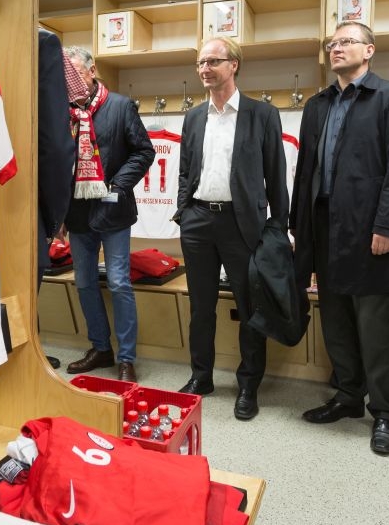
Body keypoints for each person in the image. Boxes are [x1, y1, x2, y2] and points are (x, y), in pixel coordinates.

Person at [291, 22, 389, 456]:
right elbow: (305, 171)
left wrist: (388, 226)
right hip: (322, 225)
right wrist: (298, 227)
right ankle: (348, 396)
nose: (336, 48)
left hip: (369, 228)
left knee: (372, 325)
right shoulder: (317, 105)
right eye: (332, 43)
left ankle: (384, 411)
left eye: (346, 41)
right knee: (335, 318)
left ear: (369, 50)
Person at [173, 36, 288, 421]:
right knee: (200, 306)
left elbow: (277, 176)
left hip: (243, 225)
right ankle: (201, 376)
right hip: (198, 222)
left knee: (249, 306)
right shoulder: (193, 117)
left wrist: (278, 228)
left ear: (233, 65)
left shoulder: (262, 114)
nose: (204, 69)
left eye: (213, 62)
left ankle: (248, 385)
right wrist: (183, 211)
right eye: (200, 63)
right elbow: (186, 169)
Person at [62, 46, 154, 383]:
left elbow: (144, 151)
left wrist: (117, 185)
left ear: (92, 71)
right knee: (85, 282)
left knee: (118, 282)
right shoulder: (62, 112)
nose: (70, 82)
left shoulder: (120, 106)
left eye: (75, 73)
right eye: (65, 77)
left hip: (113, 209)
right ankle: (100, 348)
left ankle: (126, 358)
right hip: (77, 212)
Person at [36, 29, 86, 370]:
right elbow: (55, 147)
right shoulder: (43, 44)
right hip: (27, 207)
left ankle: (30, 353)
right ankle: (28, 359)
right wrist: (55, 216)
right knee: (24, 289)